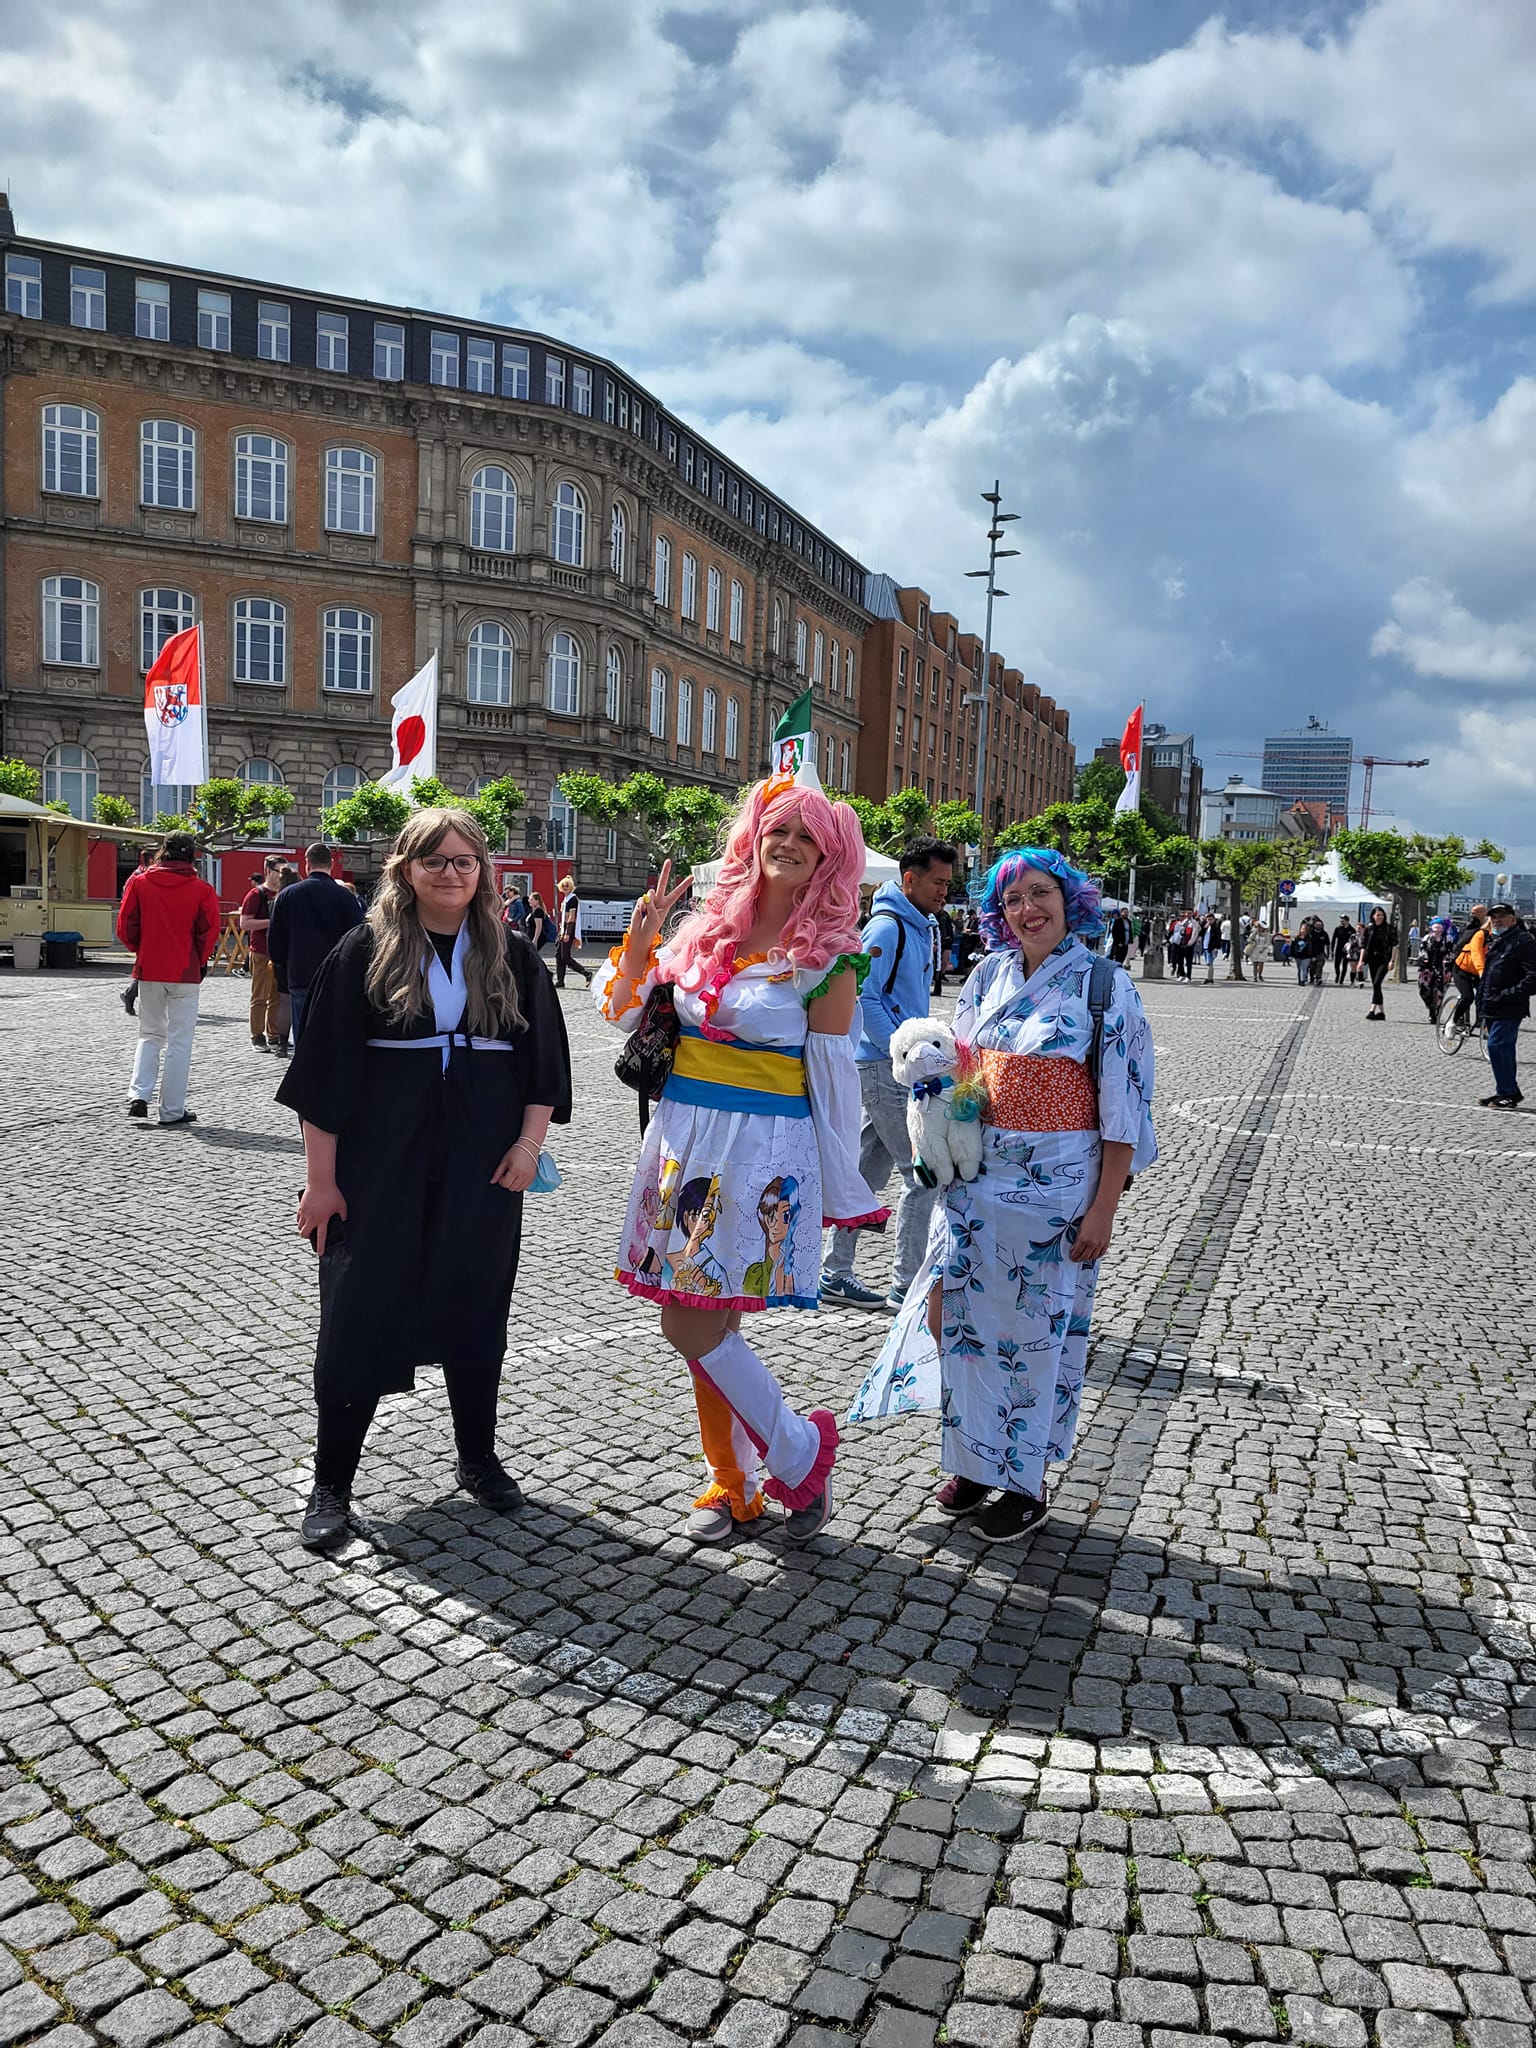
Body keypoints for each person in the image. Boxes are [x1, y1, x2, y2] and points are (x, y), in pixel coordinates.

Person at [596, 776, 884, 1545]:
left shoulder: (832, 960)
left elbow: (833, 1084)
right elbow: (622, 1010)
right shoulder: (702, 931)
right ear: (752, 840)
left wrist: (838, 1189)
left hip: (760, 1153)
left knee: (691, 1324)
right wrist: (641, 943)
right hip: (683, 1141)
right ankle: (737, 1482)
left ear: (830, 856)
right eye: (776, 830)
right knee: (705, 1323)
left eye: (806, 836)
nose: (788, 844)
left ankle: (794, 1454)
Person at [277, 808, 572, 1547]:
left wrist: (529, 1147)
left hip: (483, 1166)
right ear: (405, 869)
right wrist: (321, 1182)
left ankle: (478, 1458)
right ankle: (332, 1482)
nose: (450, 873)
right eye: (434, 860)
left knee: (477, 1305)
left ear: (482, 871)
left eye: (464, 860)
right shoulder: (366, 949)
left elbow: (544, 1065)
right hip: (380, 1165)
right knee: (358, 1311)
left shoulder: (511, 954)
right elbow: (324, 1076)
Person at [850, 848, 1156, 1544]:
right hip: (974, 1178)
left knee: (1032, 1337)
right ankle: (973, 1460)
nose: (1027, 909)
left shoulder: (1104, 985)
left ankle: (1024, 1479)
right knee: (953, 1319)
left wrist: (1104, 1208)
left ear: (1069, 898)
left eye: (1040, 893)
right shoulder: (987, 974)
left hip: (1054, 1192)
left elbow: (1124, 1108)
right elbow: (957, 1066)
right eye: (1012, 899)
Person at [822, 837, 957, 1311]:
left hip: (890, 1066)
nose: (944, 891)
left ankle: (835, 1271)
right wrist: (903, 1054)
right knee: (922, 1173)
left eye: (948, 883)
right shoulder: (888, 927)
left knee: (864, 1173)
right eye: (938, 882)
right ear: (910, 879)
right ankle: (907, 1285)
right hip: (887, 1067)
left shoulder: (917, 924)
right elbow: (864, 995)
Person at [117, 831, 221, 1127]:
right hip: (185, 971)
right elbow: (208, 932)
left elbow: (125, 926)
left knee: (149, 1034)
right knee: (179, 1042)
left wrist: (143, 949)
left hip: (150, 968)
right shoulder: (202, 890)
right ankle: (172, 1109)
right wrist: (199, 960)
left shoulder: (139, 883)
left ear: (163, 851)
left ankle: (139, 1094)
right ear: (191, 856)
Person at [268, 843, 364, 1041]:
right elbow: (357, 937)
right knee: (332, 1035)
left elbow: (275, 939)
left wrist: (283, 964)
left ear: (307, 864)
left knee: (302, 1034)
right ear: (331, 864)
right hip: (336, 975)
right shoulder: (345, 896)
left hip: (300, 972)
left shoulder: (287, 895)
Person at [1478, 902, 1536, 1109]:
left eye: (1502, 916)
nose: (1497, 920)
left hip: (1509, 1005)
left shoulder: (1522, 941)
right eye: (1493, 917)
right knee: (1503, 1049)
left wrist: (1507, 995)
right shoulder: (1499, 941)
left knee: (1497, 1046)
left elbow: (1533, 977)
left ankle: (1508, 1092)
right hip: (1492, 1005)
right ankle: (1507, 1091)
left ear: (1512, 919)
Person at [241, 854, 287, 1051]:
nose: (282, 875)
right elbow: (244, 923)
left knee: (277, 996)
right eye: (280, 871)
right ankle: (257, 1036)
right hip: (261, 951)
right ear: (268, 871)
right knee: (259, 996)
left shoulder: (285, 892)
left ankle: (274, 1035)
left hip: (279, 951)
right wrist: (271, 922)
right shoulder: (256, 894)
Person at [117, 846, 158, 1015]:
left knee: (148, 967)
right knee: (147, 967)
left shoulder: (147, 877)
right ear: (151, 860)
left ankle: (130, 994)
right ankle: (130, 995)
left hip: (151, 928)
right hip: (143, 928)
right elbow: (128, 906)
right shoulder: (137, 878)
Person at [1449, 905, 1488, 1032]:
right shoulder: (1475, 930)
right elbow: (1475, 953)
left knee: (1485, 995)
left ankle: (1481, 1022)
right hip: (1462, 967)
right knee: (1467, 996)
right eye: (1472, 913)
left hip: (1477, 970)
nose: (1472, 915)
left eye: (1475, 913)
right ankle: (1455, 1021)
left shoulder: (1492, 934)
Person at [554, 874, 593, 989]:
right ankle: (560, 980)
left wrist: (567, 932)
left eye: (567, 885)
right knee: (558, 955)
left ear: (571, 887)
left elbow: (572, 917)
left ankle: (586, 973)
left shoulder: (573, 899)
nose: (565, 887)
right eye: (563, 885)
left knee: (565, 957)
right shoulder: (566, 899)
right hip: (563, 929)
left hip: (568, 929)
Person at [1362, 905, 1397, 1020]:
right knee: (1376, 985)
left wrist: (1392, 961)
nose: (1380, 917)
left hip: (1384, 959)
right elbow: (1364, 946)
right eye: (1378, 915)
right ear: (1373, 916)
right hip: (1372, 959)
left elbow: (1394, 945)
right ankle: (1381, 1012)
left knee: (1377, 983)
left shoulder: (1389, 928)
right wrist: (1361, 961)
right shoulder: (1369, 929)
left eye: (1382, 915)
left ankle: (1372, 1009)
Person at [1417, 919, 1453, 1020]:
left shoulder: (1447, 939)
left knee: (1439, 991)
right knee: (1424, 989)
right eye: (1435, 927)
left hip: (1442, 967)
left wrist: (1447, 961)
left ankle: (1435, 1012)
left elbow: (1451, 952)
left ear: (1443, 928)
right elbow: (1422, 950)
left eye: (1439, 927)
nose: (1437, 929)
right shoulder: (1427, 938)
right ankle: (1430, 1007)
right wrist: (1423, 958)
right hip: (1427, 967)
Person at [1331, 915, 1353, 985]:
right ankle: (1337, 974)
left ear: (1347, 921)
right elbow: (1333, 939)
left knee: (1344, 965)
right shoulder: (1338, 929)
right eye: (1341, 921)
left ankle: (1342, 979)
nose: (1341, 922)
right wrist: (1332, 949)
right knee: (1336, 964)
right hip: (1338, 949)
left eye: (1343, 921)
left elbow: (1354, 941)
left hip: (1347, 950)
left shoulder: (1352, 930)